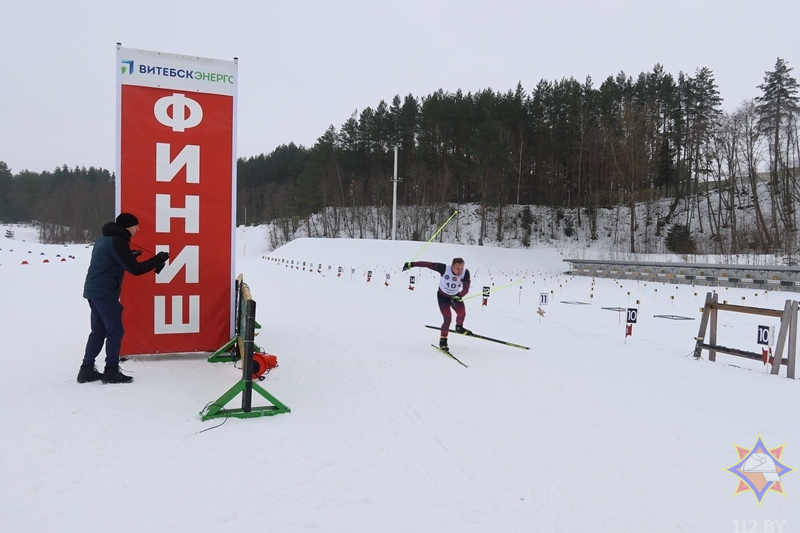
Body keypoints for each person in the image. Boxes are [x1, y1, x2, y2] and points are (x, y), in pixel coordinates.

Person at [77, 213, 169, 384]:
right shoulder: (118, 241)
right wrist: (158, 259)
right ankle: (111, 370)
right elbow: (136, 270)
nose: (138, 229)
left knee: (99, 330)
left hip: (94, 290)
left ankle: (86, 369)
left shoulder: (106, 238)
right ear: (127, 227)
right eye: (135, 226)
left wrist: (130, 254)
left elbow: (112, 259)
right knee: (115, 330)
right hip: (105, 292)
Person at [403, 258, 471, 350]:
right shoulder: (444, 268)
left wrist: (459, 296)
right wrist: (411, 264)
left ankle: (459, 327)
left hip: (455, 297)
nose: (460, 271)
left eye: (461, 268)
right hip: (443, 297)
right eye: (457, 268)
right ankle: (443, 341)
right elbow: (427, 264)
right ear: (452, 266)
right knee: (447, 319)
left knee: (462, 314)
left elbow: (466, 289)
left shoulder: (466, 272)